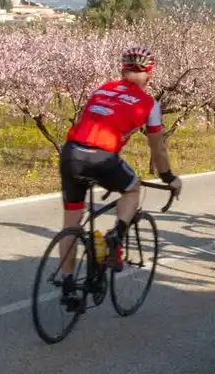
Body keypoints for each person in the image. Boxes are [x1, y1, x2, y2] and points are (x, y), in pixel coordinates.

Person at [58, 46, 182, 310]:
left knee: (71, 223)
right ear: (150, 75)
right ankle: (116, 236)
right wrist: (168, 176)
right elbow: (157, 147)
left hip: (70, 153)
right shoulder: (149, 104)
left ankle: (68, 286)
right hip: (101, 157)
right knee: (132, 188)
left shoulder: (101, 89)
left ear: (121, 70)